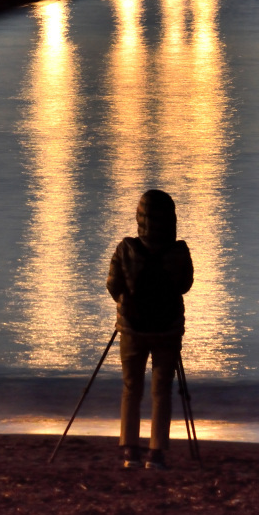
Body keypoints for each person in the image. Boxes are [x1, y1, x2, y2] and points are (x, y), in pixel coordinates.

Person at [106, 188, 194, 470]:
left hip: (132, 329)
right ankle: (156, 453)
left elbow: (113, 284)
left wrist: (126, 300)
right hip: (167, 330)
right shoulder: (179, 251)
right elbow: (185, 286)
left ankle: (130, 450)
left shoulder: (126, 249)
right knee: (162, 391)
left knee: (131, 388)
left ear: (139, 217)